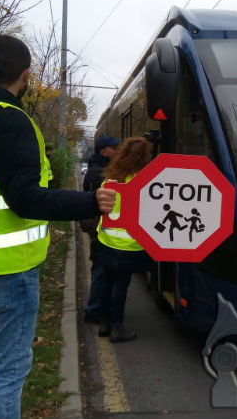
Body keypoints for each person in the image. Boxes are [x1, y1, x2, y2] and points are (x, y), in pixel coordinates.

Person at [0, 35, 117, 419]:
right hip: (5, 268)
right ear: (27, 75)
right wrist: (90, 202)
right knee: (7, 370)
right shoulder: (6, 118)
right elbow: (25, 198)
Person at [91, 136, 155, 342]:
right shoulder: (145, 182)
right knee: (120, 285)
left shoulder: (111, 178)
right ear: (143, 157)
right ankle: (117, 328)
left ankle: (104, 323)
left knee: (107, 283)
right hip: (127, 245)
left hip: (105, 241)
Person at [81, 134, 121, 325]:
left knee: (101, 269)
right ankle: (94, 311)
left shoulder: (96, 169)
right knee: (100, 270)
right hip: (99, 228)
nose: (117, 151)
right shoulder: (101, 173)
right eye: (114, 148)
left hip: (97, 227)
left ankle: (97, 308)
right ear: (104, 151)